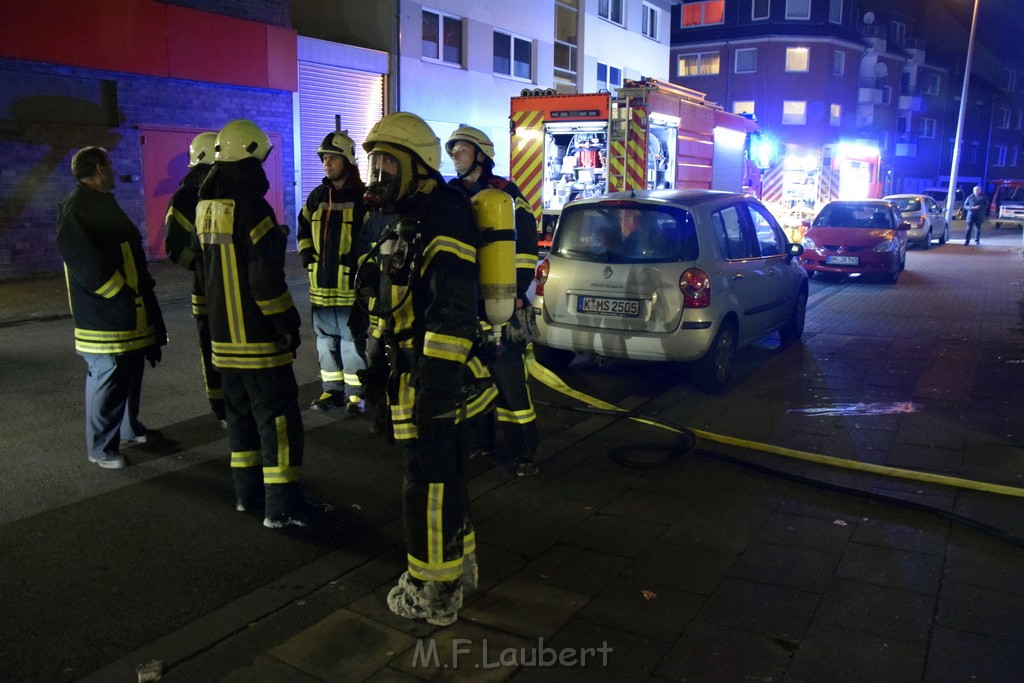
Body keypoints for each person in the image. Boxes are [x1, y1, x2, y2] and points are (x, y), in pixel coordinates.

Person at [362, 112, 497, 626]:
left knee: (431, 483)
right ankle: (457, 570)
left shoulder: (443, 214)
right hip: (413, 372)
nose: (378, 172)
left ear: (417, 165)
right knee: (446, 477)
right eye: (373, 161)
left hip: (436, 377)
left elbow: (451, 310)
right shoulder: (407, 214)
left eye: (387, 161)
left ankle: (434, 593)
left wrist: (436, 392)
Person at [192, 119, 328, 529]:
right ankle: (282, 507)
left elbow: (206, 270)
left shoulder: (205, 206)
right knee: (279, 422)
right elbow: (265, 280)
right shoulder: (253, 206)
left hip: (223, 341)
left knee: (240, 421)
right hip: (257, 342)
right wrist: (286, 321)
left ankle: (246, 495)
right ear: (250, 157)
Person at [57, 146, 166, 470]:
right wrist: (121, 293)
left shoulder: (99, 203)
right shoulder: (77, 208)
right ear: (99, 169)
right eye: (111, 165)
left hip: (125, 311)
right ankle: (101, 447)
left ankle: (128, 428)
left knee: (130, 372)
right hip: (104, 317)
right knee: (107, 377)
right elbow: (87, 265)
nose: (115, 171)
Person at [445, 126, 541, 477]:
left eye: (462, 149)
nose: (454, 153)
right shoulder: (450, 194)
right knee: (473, 378)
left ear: (481, 155)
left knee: (510, 382)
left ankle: (524, 453)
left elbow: (527, 248)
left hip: (502, 302)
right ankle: (480, 443)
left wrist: (515, 291)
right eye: (452, 148)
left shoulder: (508, 194)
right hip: (465, 303)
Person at [297, 131, 368, 415]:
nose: (327, 163)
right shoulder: (317, 196)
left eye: (332, 158)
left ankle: (356, 395)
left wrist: (359, 266)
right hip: (321, 286)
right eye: (324, 158)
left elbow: (370, 239)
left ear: (347, 161)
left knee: (352, 341)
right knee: (325, 341)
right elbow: (303, 227)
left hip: (350, 287)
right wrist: (306, 254)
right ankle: (331, 391)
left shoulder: (363, 198)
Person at [163, 131, 226, 425]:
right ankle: (221, 406)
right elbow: (175, 248)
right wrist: (204, 268)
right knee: (212, 350)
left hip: (236, 289)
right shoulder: (185, 198)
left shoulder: (227, 192)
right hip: (206, 291)